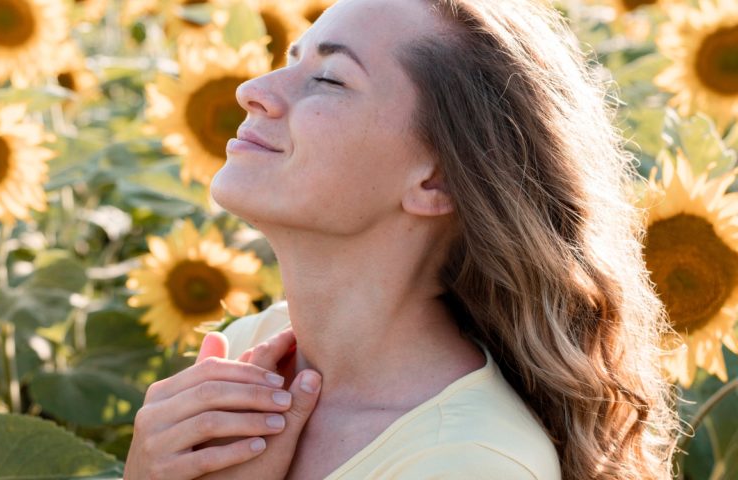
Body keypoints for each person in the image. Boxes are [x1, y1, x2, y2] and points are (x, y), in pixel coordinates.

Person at [125, 0, 682, 478]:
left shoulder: (472, 463)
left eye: (328, 78)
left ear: (435, 178)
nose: (251, 90)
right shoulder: (257, 351)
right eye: (290, 60)